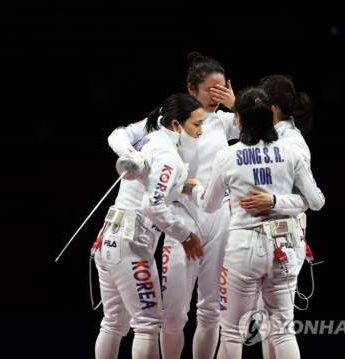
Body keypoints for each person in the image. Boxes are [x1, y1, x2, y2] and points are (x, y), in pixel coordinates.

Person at [107, 51, 239, 359]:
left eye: (222, 91)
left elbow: (271, 130)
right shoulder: (169, 119)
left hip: (218, 219)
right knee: (175, 314)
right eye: (210, 90)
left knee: (210, 311)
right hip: (182, 216)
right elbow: (118, 134)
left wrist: (237, 105)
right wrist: (134, 156)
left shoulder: (226, 121)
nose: (216, 97)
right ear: (191, 90)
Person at [185, 85, 325, 358]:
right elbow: (315, 201)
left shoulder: (227, 156)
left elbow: (208, 205)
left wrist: (196, 188)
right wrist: (277, 201)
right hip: (284, 246)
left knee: (233, 331)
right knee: (282, 329)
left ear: (238, 120)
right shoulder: (291, 151)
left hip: (244, 249)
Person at [92, 92, 205, 359]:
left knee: (113, 323)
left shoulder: (150, 140)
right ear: (176, 125)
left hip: (109, 239)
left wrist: (191, 187)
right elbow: (153, 205)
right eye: (196, 124)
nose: (201, 130)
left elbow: (156, 185)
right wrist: (186, 235)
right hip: (131, 245)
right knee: (147, 325)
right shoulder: (168, 154)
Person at [237, 74, 318, 359]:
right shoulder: (278, 138)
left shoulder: (292, 143)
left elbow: (310, 200)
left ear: (270, 109)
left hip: (282, 238)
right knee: (267, 324)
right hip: (272, 238)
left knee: (279, 326)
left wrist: (271, 200)